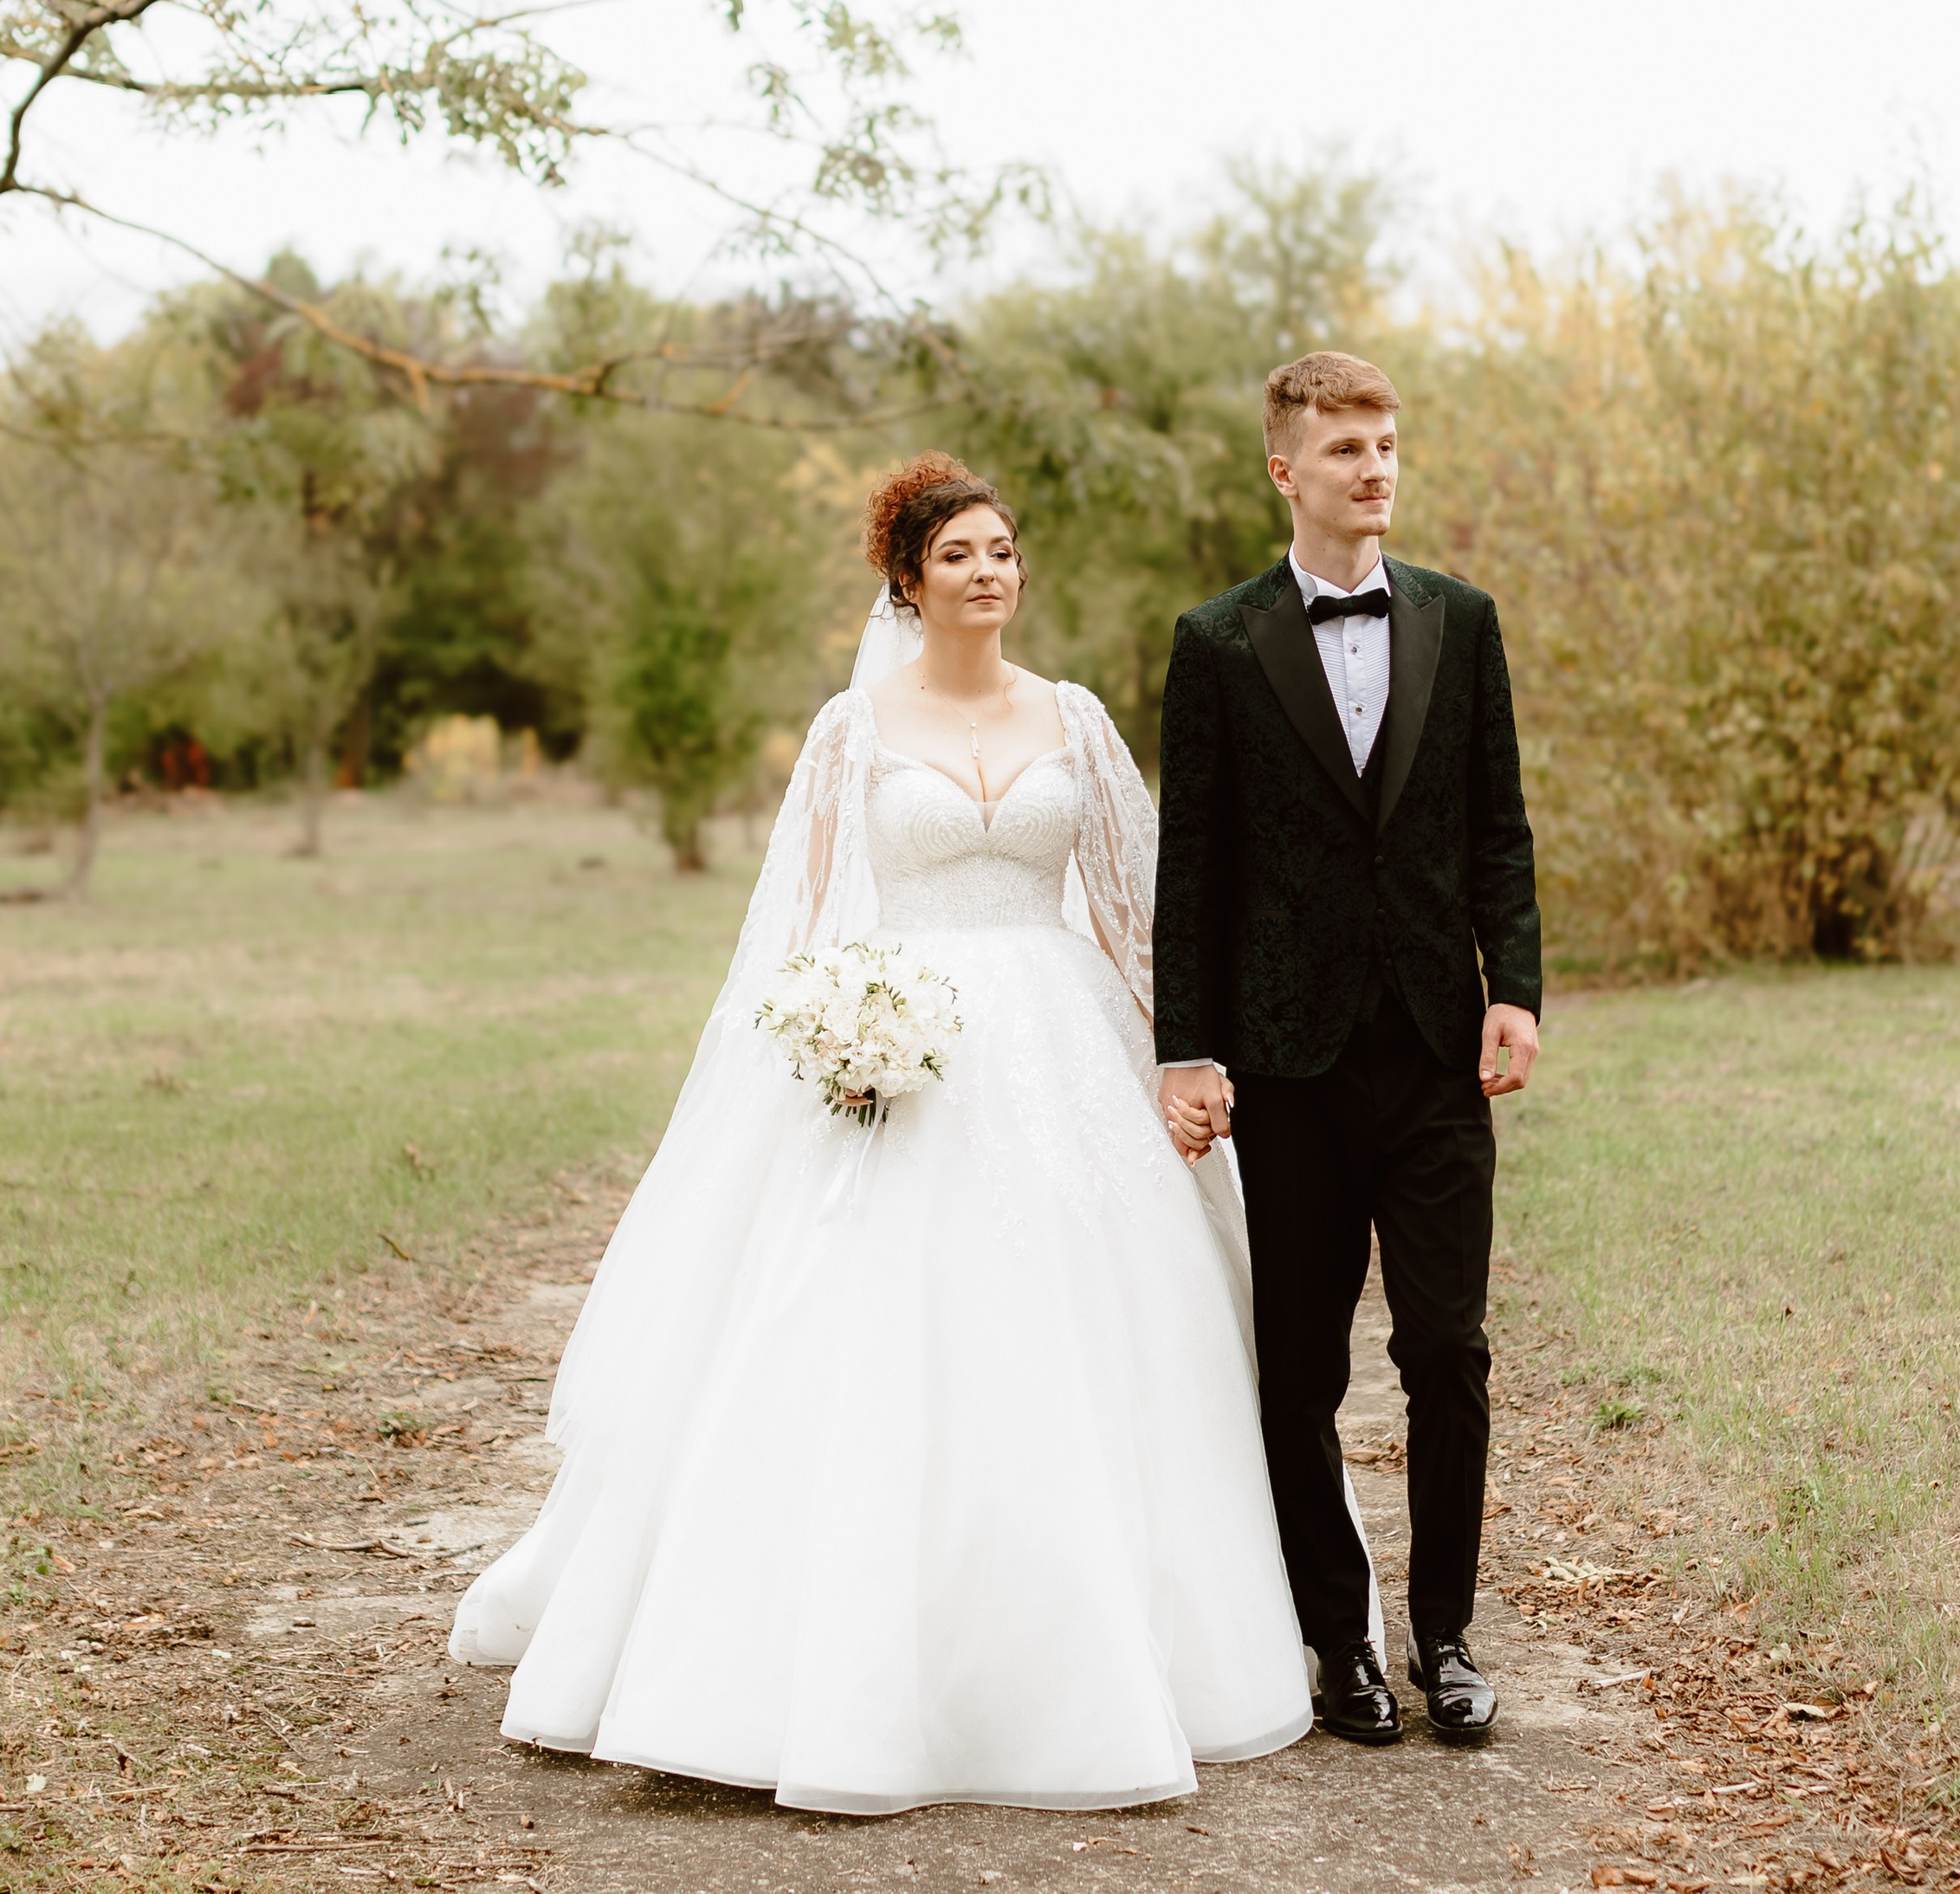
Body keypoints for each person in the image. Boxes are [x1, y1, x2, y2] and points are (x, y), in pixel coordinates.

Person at [450, 455, 1312, 1813]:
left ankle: (1105, 1650)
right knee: (868, 1333)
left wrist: (1178, 1062)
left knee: (1092, 1329)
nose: (991, 571)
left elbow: (1140, 910)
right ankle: (819, 1663)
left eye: (1005, 549)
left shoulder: (1077, 721)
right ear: (909, 579)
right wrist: (832, 1040)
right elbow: (794, 933)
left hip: (1064, 1054)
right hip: (901, 1052)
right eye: (961, 552)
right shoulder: (851, 733)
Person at [1152, 353, 1543, 1750]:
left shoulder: (1462, 621)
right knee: (1300, 1367)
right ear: (1285, 470)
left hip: (1439, 1054)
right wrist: (1185, 1051)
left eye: (1387, 444)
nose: (1375, 468)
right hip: (1291, 1068)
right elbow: (1189, 867)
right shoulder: (1215, 643)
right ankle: (1339, 1642)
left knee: (1447, 1348)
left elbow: (1497, 826)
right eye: (1346, 450)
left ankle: (1447, 1636)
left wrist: (1518, 991)